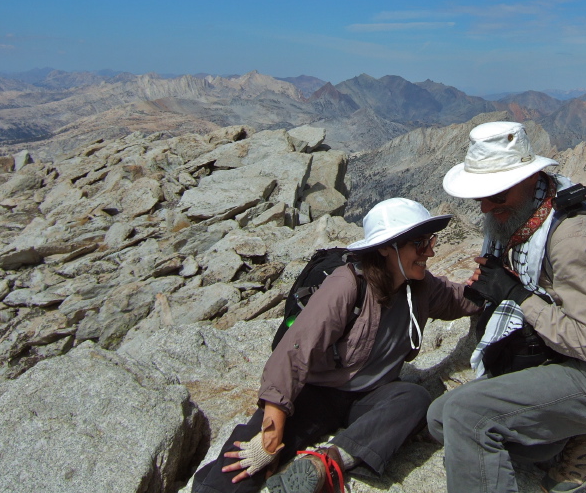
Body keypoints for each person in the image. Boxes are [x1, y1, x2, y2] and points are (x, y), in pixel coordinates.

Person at [192, 197, 480, 493]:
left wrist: (486, 287)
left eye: (430, 241)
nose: (430, 251)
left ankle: (325, 463)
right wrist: (274, 416)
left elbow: (456, 299)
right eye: (419, 243)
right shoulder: (347, 285)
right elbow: (296, 349)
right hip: (317, 394)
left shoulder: (419, 287)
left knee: (414, 398)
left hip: (371, 396)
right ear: (385, 248)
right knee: (248, 458)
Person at [427, 121, 586, 493]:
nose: (486, 207)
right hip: (562, 362)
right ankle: (576, 435)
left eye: (497, 195)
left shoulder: (570, 239)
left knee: (465, 415)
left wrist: (517, 296)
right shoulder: (523, 225)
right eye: (480, 197)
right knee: (440, 418)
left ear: (532, 179)